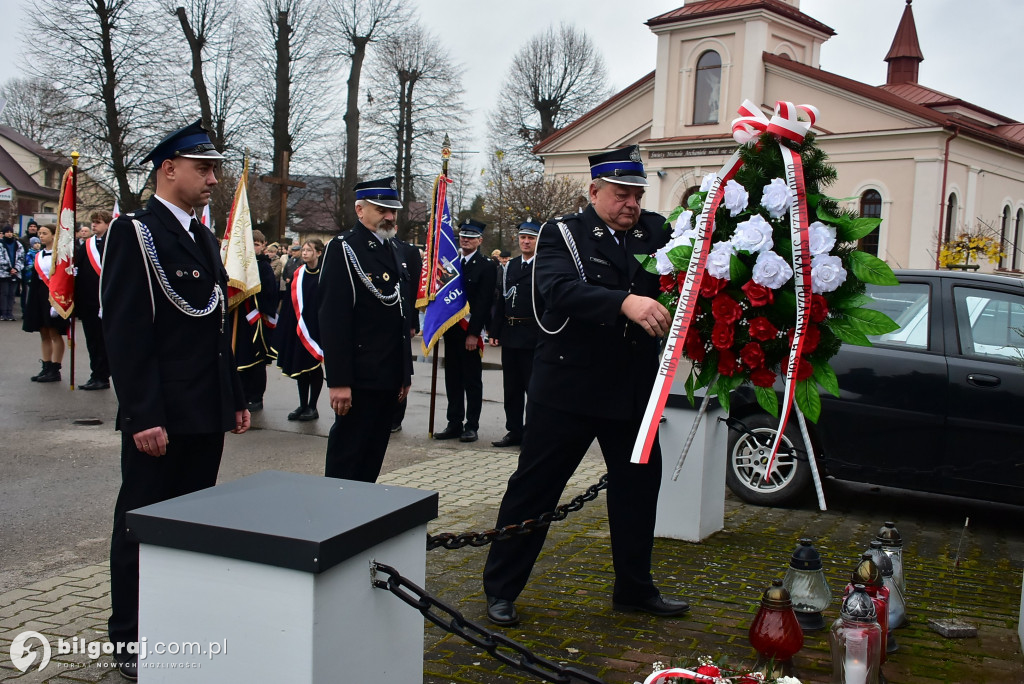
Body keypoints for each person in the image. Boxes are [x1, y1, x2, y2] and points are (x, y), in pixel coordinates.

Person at [482, 144, 688, 627]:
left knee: (638, 491)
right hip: (568, 387)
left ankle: (634, 589)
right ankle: (501, 589)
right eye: (621, 194)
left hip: (633, 387)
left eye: (637, 194)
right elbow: (556, 289)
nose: (631, 204)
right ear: (594, 191)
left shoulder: (658, 232)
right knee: (534, 490)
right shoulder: (562, 235)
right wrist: (625, 303)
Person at [100, 119, 249, 679]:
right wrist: (142, 414)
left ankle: (179, 624)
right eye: (203, 167)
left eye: (214, 168)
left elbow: (216, 330)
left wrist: (234, 397)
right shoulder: (133, 233)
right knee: (140, 526)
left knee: (190, 527)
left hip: (202, 413)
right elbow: (126, 332)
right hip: (160, 418)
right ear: (169, 169)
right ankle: (130, 638)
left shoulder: (203, 238)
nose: (213, 177)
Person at [319, 177, 413, 482]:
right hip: (359, 378)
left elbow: (400, 318)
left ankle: (362, 521)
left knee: (372, 458)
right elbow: (334, 319)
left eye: (393, 211)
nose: (389, 216)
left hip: (387, 376)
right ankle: (336, 520)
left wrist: (404, 373)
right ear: (360, 210)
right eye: (381, 209)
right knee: (348, 459)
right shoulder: (344, 249)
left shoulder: (395, 249)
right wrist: (339, 381)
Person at [433, 219, 496, 443]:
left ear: (480, 240)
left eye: (471, 236)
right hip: (451, 330)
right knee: (453, 379)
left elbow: (483, 302)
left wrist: (473, 333)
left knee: (471, 380)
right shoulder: (449, 264)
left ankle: (471, 425)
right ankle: (454, 422)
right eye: (463, 235)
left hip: (469, 331)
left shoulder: (487, 265)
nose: (465, 239)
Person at [487, 220, 540, 448]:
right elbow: (502, 300)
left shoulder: (545, 265)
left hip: (533, 335)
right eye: (523, 238)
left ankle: (533, 433)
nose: (526, 241)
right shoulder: (511, 265)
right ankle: (514, 430)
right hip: (510, 333)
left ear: (538, 240)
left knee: (533, 388)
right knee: (511, 388)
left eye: (531, 238)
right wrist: (494, 330)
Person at [273, 238, 324, 421]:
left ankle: (313, 406)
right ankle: (303, 404)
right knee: (301, 367)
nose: (304, 253)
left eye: (309, 250)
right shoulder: (298, 273)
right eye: (303, 250)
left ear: (318, 253)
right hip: (300, 326)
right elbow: (289, 301)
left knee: (314, 366)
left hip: (317, 328)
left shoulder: (325, 274)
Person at [235, 229, 279, 411]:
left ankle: (256, 397)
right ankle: (240, 395)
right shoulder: (238, 266)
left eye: (256, 244)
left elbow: (270, 294)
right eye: (250, 243)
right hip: (240, 320)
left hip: (256, 319)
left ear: (263, 246)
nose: (253, 247)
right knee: (239, 359)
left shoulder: (264, 267)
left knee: (256, 360)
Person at [22, 224, 68, 382]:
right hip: (40, 295)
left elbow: (64, 278)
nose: (41, 236)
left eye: (45, 233)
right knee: (43, 332)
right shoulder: (38, 255)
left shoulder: (61, 254)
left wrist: (59, 302)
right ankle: (46, 365)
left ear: (54, 235)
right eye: (40, 233)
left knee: (54, 332)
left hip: (54, 295)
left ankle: (56, 368)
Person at [73, 211, 111, 390]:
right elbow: (77, 267)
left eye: (98, 222)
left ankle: (103, 375)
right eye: (93, 222)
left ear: (108, 224)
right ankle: (96, 374)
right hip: (88, 301)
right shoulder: (86, 245)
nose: (94, 225)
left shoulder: (113, 243)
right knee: (92, 340)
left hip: (107, 301)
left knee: (105, 341)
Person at [390, 234, 422, 433]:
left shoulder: (408, 251)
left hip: (402, 320)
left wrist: (413, 322)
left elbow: (414, 289)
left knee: (400, 369)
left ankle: (396, 417)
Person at [0, 224, 24, 321]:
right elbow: (0, 258)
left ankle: (10, 313)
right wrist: (9, 268)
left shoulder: (18, 244)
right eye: (7, 232)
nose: (9, 234)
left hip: (15, 273)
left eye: (10, 232)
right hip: (4, 273)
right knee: (4, 293)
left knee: (11, 294)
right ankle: (3, 313)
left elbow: (22, 258)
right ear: (4, 233)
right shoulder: (1, 244)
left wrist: (16, 269)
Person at [21, 237, 39, 317]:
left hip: (38, 278)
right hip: (29, 278)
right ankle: (26, 312)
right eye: (35, 243)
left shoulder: (41, 253)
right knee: (28, 295)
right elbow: (27, 266)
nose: (37, 245)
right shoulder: (28, 254)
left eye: (38, 243)